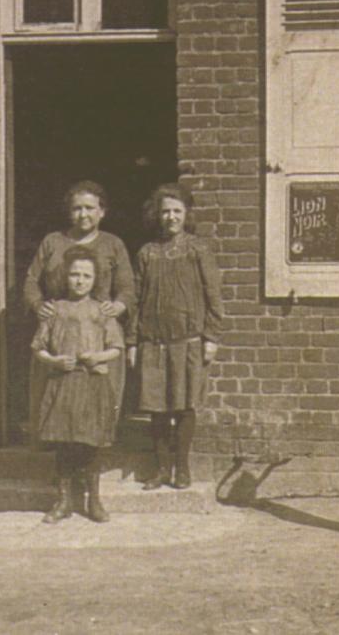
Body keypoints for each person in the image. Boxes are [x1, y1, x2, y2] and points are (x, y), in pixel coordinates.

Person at [127, 182, 224, 490]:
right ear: (157, 215)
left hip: (188, 341)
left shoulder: (198, 249)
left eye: (177, 211)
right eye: (165, 211)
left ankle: (182, 467)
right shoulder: (147, 253)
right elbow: (136, 300)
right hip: (153, 342)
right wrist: (132, 341)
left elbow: (213, 295)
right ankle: (161, 468)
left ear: (187, 214)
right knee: (156, 407)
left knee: (183, 406)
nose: (171, 217)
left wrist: (211, 336)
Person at [32, 246, 125, 523]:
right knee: (64, 443)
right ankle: (63, 502)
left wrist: (97, 356)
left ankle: (93, 501)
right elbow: (38, 348)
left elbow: (116, 347)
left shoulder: (101, 312)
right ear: (66, 277)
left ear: (95, 279)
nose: (79, 280)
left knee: (91, 443)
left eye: (86, 275)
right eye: (74, 275)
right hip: (63, 383)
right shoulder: (55, 310)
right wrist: (55, 361)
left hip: (92, 383)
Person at [23, 181, 135, 411]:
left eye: (89, 208)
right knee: (55, 403)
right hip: (59, 332)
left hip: (98, 332)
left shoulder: (113, 244)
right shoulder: (52, 241)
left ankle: (98, 447)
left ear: (102, 212)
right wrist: (37, 304)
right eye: (77, 208)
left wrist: (118, 306)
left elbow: (127, 288)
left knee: (99, 404)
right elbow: (31, 281)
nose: (83, 214)